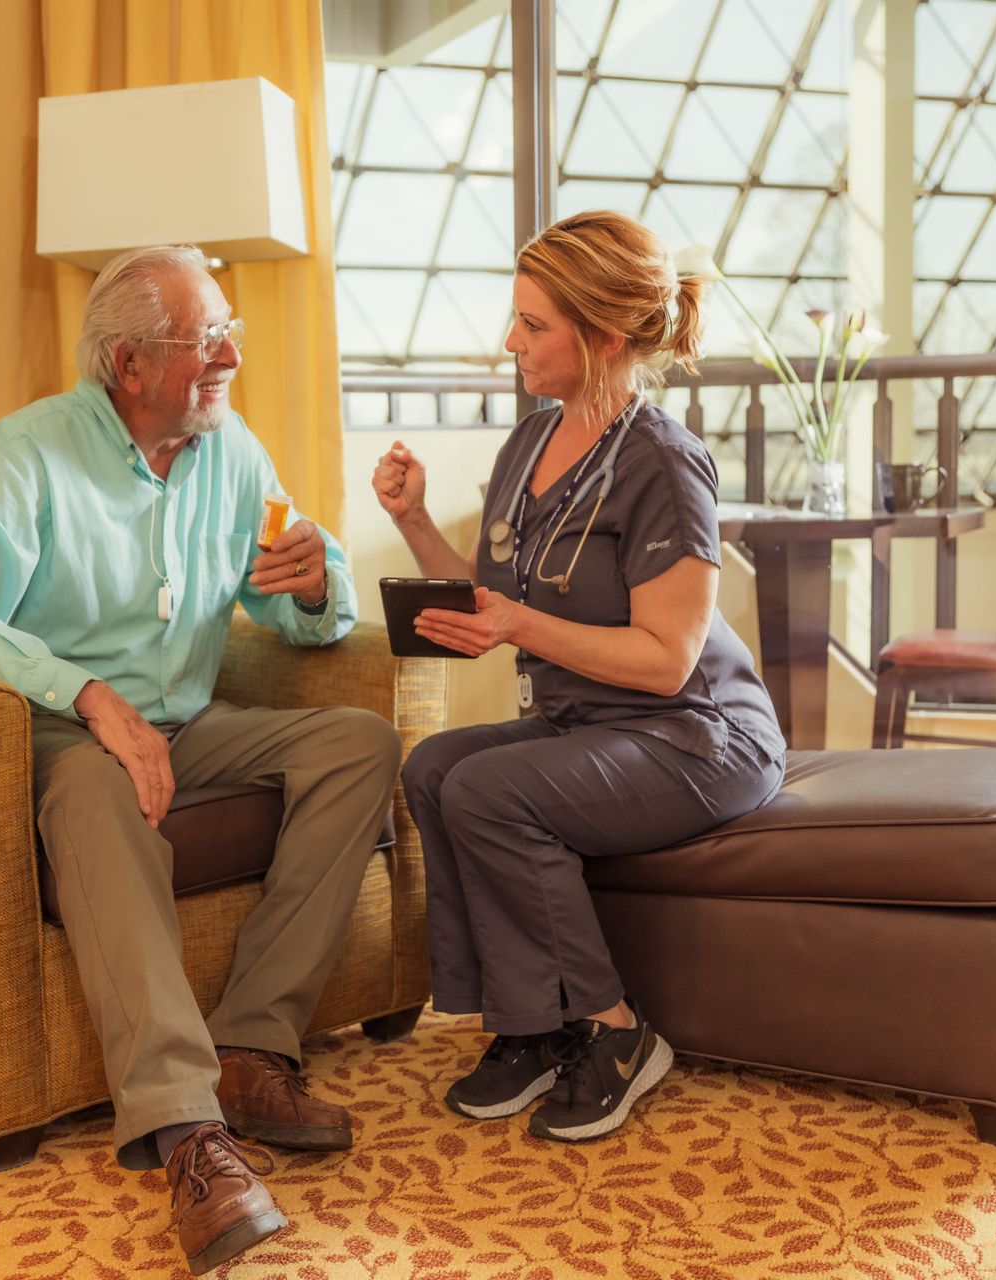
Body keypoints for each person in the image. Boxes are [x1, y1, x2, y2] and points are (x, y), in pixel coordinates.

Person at [0, 245, 401, 1274]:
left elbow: (298, 610)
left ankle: (253, 1046)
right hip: (61, 733)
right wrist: (84, 693)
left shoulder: (231, 450)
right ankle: (188, 1129)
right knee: (91, 784)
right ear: (129, 363)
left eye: (229, 334)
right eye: (208, 341)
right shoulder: (32, 452)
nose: (232, 357)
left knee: (358, 743)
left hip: (186, 723)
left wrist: (312, 584)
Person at [372, 210, 786, 1144]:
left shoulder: (664, 463)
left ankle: (616, 1030)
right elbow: (492, 599)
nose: (510, 342)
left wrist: (519, 626)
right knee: (433, 768)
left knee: (486, 790)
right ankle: (533, 1025)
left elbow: (667, 659)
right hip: (586, 722)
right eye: (515, 319)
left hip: (696, 734)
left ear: (604, 337)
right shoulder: (529, 445)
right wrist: (413, 520)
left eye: (533, 324)